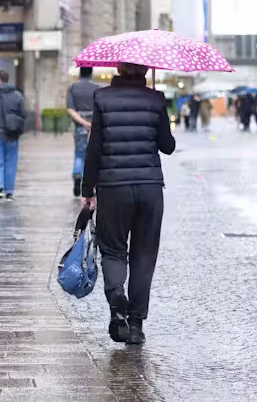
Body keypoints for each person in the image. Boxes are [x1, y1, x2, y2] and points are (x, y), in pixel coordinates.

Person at [81, 63, 175, 346]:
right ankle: (135, 325)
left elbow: (94, 146)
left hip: (113, 187)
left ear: (118, 70)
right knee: (144, 255)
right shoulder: (155, 99)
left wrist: (88, 189)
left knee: (113, 249)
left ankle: (116, 300)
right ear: (146, 70)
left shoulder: (103, 98)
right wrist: (159, 117)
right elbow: (167, 145)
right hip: (149, 188)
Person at [0, 69, 26, 203]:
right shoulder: (17, 95)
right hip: (13, 132)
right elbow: (23, 114)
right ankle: (9, 191)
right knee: (11, 162)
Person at [66, 67, 98, 197]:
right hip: (95, 126)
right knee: (93, 156)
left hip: (80, 126)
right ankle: (90, 183)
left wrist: (84, 123)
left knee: (79, 153)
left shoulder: (72, 88)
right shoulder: (97, 88)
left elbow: (70, 109)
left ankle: (77, 175)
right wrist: (92, 123)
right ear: (91, 73)